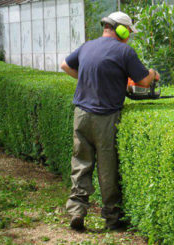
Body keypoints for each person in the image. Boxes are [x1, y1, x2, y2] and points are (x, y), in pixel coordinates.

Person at [60, 11, 160, 231]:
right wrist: (153, 73)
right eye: (128, 32)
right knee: (107, 169)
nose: (129, 37)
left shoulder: (87, 46)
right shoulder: (124, 51)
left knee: (80, 164)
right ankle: (112, 219)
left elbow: (65, 66)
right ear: (122, 30)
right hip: (105, 118)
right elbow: (143, 81)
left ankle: (77, 211)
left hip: (81, 115)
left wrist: (89, 78)